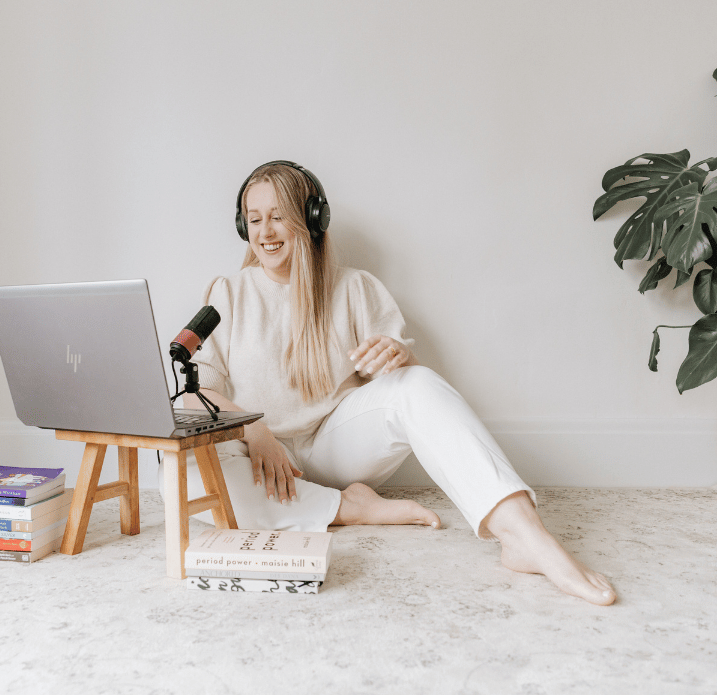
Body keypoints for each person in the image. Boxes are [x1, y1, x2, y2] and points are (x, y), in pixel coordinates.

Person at [175, 160, 616, 606]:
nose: (265, 232)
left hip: (332, 448)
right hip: (259, 456)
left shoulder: (355, 288)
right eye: (254, 219)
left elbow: (407, 394)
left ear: (312, 218)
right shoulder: (226, 293)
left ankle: (524, 535)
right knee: (175, 474)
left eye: (278, 216)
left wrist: (401, 358)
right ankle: (350, 508)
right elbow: (199, 390)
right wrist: (255, 429)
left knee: (419, 382)